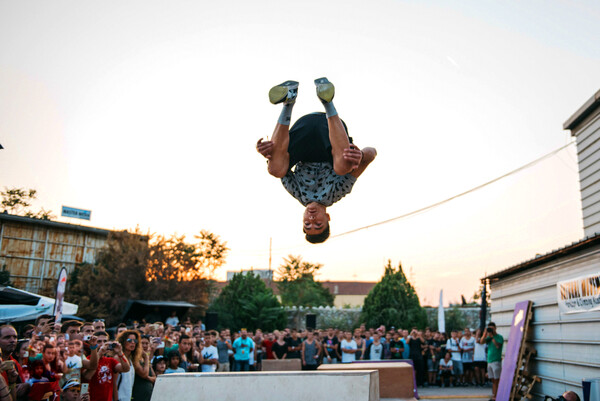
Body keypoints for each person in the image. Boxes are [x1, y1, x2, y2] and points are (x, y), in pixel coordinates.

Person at [256, 78, 377, 243]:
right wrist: (361, 156)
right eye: (318, 224)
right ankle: (327, 102)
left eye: (307, 223)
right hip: (327, 132)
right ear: (327, 217)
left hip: (303, 135)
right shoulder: (338, 191)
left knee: (275, 170)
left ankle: (289, 100)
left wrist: (268, 154)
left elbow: (276, 164)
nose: (311, 219)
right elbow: (372, 153)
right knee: (344, 167)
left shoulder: (297, 193)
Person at [88, 331, 130, 401]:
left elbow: (126, 369)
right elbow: (88, 374)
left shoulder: (110, 361)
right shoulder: (89, 359)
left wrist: (120, 352)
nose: (102, 344)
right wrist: (99, 353)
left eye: (105, 341)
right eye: (99, 341)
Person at [116, 330, 141, 401]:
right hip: (119, 398)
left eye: (135, 341)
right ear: (123, 342)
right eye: (129, 340)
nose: (133, 343)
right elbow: (114, 383)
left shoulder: (131, 359)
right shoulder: (117, 358)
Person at [481, 322, 503, 401]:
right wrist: (484, 334)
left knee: (497, 380)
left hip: (496, 361)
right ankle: (494, 396)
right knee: (493, 380)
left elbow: (498, 346)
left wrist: (492, 336)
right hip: (489, 361)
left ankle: (497, 396)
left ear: (495, 328)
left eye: (492, 329)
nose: (491, 330)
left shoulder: (499, 337)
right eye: (490, 328)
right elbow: (481, 342)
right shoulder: (489, 338)